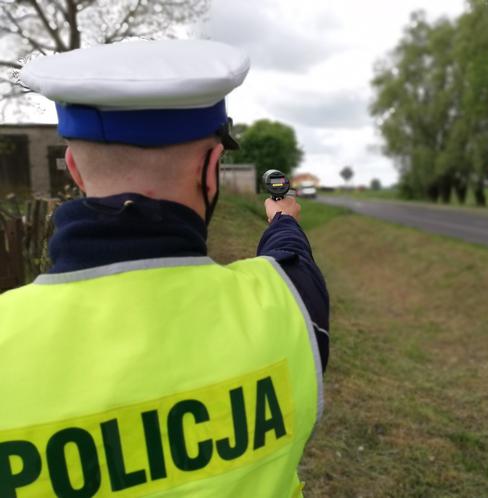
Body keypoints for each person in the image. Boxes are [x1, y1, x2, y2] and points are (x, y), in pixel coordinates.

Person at [0, 39, 328, 498]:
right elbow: (292, 256)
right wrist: (282, 217)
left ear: (74, 169)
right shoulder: (291, 304)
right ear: (212, 169)